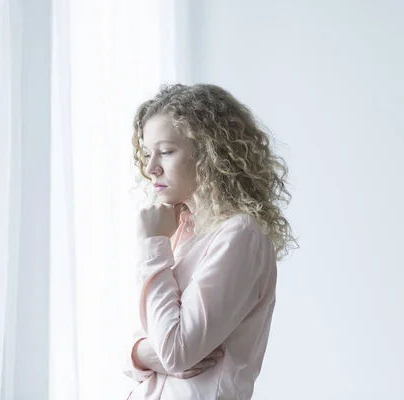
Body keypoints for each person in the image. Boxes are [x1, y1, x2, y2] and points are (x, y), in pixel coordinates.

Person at [122, 84, 297, 399]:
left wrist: (152, 243)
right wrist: (140, 355)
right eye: (148, 153)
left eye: (166, 151)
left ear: (209, 151)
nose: (151, 168)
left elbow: (176, 352)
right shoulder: (178, 229)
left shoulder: (239, 235)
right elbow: (140, 342)